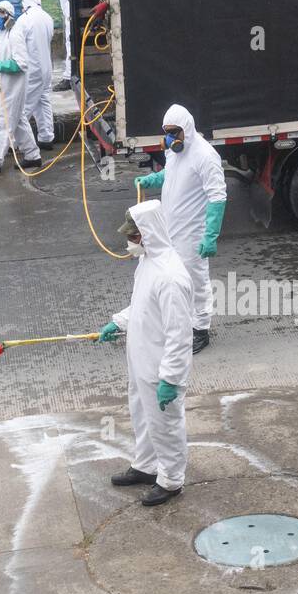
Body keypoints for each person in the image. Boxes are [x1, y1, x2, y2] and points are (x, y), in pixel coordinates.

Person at [98, 199, 194, 507]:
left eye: (134, 235)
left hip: (159, 367)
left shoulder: (170, 277)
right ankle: (146, 465)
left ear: (149, 233)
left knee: (165, 424)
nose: (128, 240)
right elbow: (141, 305)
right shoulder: (148, 261)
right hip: (140, 359)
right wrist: (119, 321)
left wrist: (171, 378)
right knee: (143, 416)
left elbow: (179, 334)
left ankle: (171, 479)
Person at [133, 105, 227, 354]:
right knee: (169, 276)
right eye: (167, 132)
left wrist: (210, 235)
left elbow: (218, 196)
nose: (171, 138)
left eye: (175, 132)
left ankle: (201, 329)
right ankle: (177, 322)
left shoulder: (206, 156)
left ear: (188, 128)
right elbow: (172, 174)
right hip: (170, 227)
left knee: (195, 280)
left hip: (193, 232)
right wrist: (152, 180)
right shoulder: (175, 150)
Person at [0, 0, 42, 177]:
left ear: (8, 16)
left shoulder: (15, 33)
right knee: (18, 120)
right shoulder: (3, 34)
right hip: (5, 87)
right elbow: (3, 57)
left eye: (0, 14)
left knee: (4, 123)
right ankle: (33, 155)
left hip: (13, 88)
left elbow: (21, 64)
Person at [18, 0, 55, 151]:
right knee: (43, 101)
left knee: (24, 107)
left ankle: (16, 142)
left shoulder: (24, 19)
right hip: (47, 68)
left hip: (33, 70)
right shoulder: (48, 17)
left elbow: (18, 43)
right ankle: (46, 138)